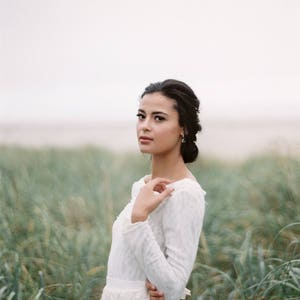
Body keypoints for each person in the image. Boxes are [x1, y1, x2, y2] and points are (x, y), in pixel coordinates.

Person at [100, 79, 206, 300]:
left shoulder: (185, 194)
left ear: (183, 128)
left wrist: (138, 219)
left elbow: (174, 289)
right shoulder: (142, 186)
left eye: (158, 118)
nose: (145, 125)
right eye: (141, 116)